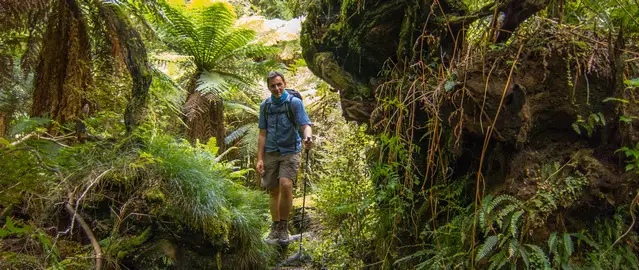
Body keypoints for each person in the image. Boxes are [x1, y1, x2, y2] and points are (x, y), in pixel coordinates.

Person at [257, 71, 312, 243]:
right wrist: (259, 158)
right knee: (273, 191)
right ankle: (275, 228)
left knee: (286, 184)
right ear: (269, 87)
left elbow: (305, 125)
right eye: (273, 86)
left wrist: (308, 137)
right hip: (271, 152)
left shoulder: (294, 103)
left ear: (284, 83)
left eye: (279, 84)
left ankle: (283, 227)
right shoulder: (265, 106)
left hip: (291, 150)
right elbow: (262, 133)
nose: (277, 88)